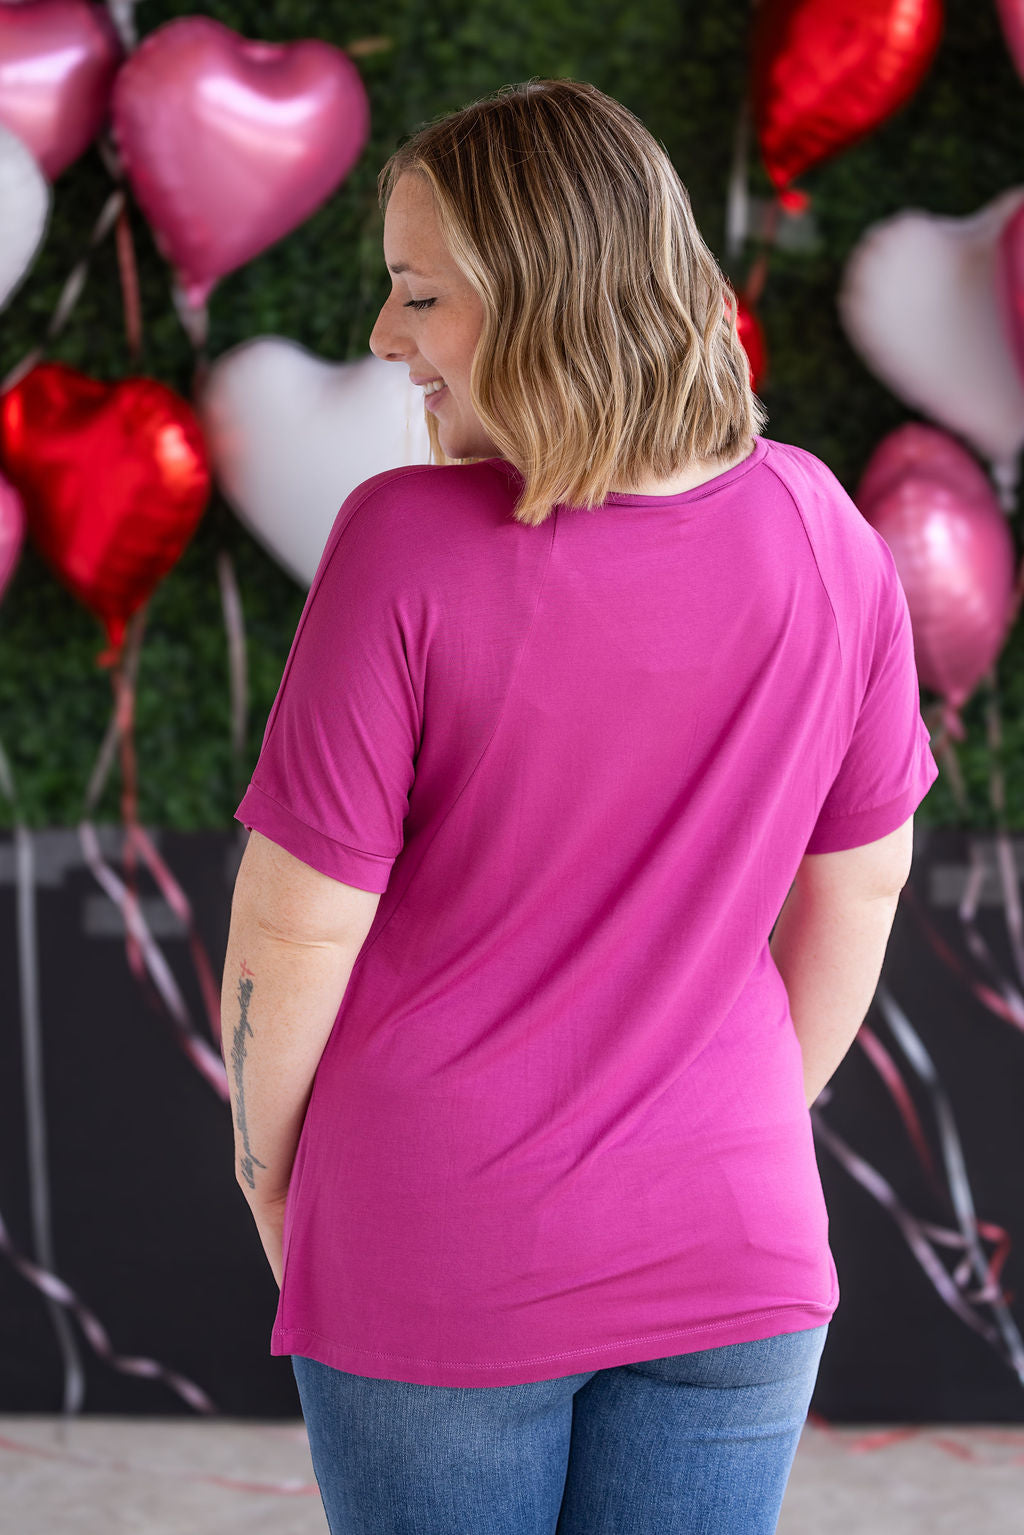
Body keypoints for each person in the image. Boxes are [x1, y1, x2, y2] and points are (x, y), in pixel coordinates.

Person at [221, 77, 939, 1535]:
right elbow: (862, 885)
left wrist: (271, 1182)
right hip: (736, 1244)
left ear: (545, 296)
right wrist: (731, 1118)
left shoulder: (405, 544)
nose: (385, 337)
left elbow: (295, 933)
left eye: (421, 294)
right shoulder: (826, 527)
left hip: (440, 1237)